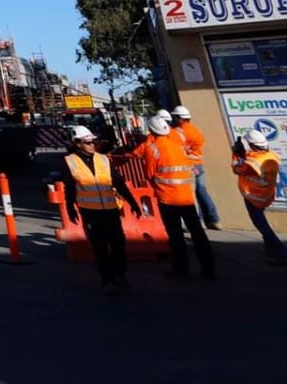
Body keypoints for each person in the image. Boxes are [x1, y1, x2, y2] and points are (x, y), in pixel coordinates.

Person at [57, 126, 142, 295]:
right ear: (77, 144)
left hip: (110, 209)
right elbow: (70, 188)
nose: (92, 145)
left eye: (93, 142)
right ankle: (107, 279)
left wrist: (132, 202)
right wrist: (70, 208)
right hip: (90, 212)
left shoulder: (103, 159)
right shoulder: (70, 162)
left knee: (118, 243)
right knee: (100, 247)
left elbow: (118, 183)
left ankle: (120, 275)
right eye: (88, 142)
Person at [140, 113, 215, 280]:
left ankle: (181, 269)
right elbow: (189, 167)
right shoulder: (179, 147)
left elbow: (149, 174)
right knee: (198, 233)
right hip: (186, 197)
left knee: (175, 236)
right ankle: (209, 269)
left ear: (151, 131)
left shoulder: (152, 149)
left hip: (167, 198)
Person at [232, 130, 287, 266]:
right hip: (266, 195)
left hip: (254, 197)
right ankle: (270, 251)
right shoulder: (272, 155)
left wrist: (236, 154)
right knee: (262, 223)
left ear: (253, 145)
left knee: (262, 226)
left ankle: (283, 254)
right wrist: (242, 154)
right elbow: (251, 158)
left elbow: (237, 169)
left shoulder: (253, 162)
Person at [171, 104, 220, 229]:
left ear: (180, 118)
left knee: (191, 195)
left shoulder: (178, 132)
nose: (174, 119)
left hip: (188, 166)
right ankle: (213, 219)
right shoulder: (195, 130)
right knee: (202, 191)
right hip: (199, 164)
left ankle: (198, 222)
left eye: (175, 117)